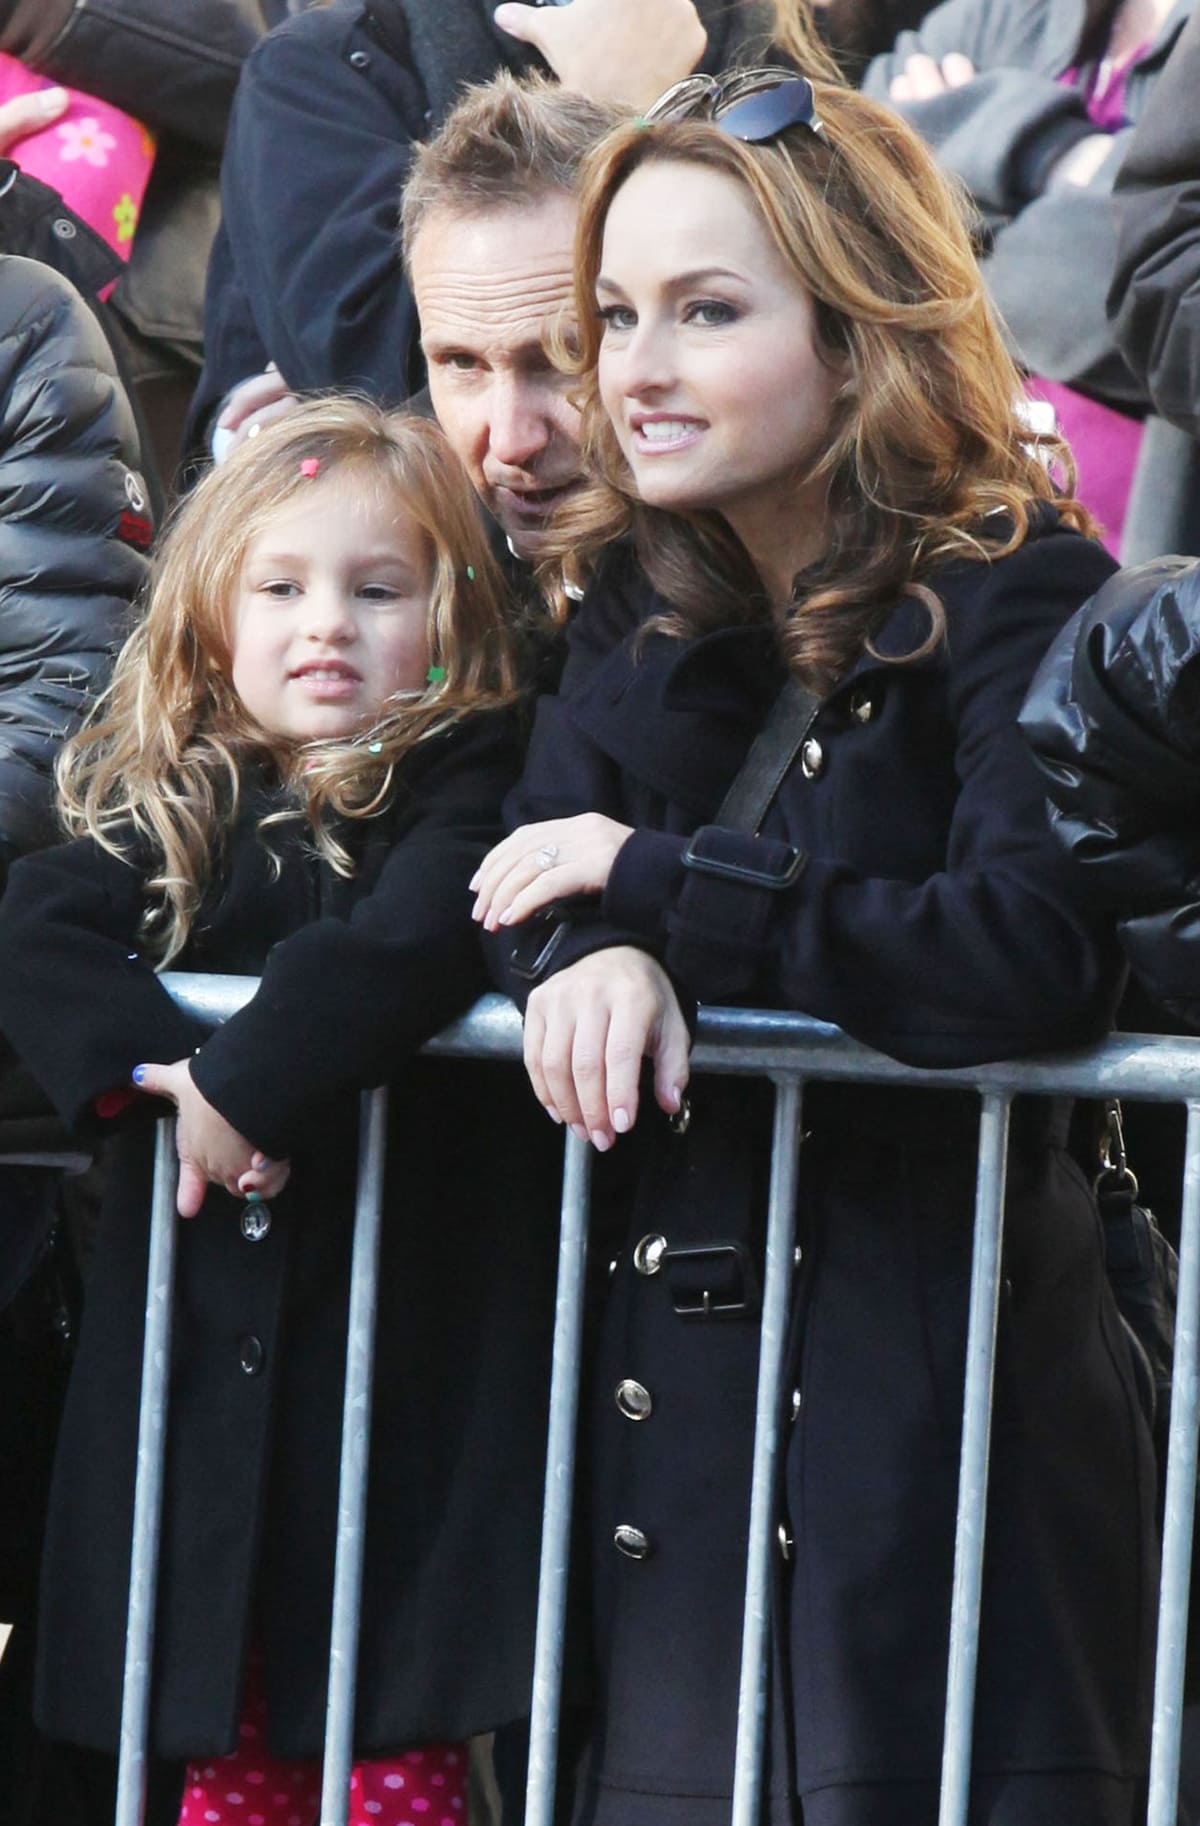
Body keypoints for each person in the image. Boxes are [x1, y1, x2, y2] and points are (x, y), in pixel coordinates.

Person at [472, 67, 1155, 1826]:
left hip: (945, 1439)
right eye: (615, 312)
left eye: (707, 312)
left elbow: (1021, 952)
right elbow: (524, 888)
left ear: (858, 342)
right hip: (677, 1453)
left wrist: (660, 887)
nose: (633, 366)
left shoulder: (1019, 588)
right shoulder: (634, 599)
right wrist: (586, 963)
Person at [0, 397, 557, 1826]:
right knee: (210, 1740)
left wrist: (242, 1077)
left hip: (391, 1398)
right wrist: (152, 1078)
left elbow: (423, 932)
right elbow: (40, 926)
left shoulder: (464, 782)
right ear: (209, 629)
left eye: (380, 589)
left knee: (386, 1750)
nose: (330, 623)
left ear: (449, 622)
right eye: (284, 587)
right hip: (195, 1415)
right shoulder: (179, 804)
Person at [860, 0, 1191, 560]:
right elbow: (860, 211)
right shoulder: (999, 16)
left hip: (1136, 608)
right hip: (946, 575)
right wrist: (1072, 163)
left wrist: (981, 169)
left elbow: (1171, 306)